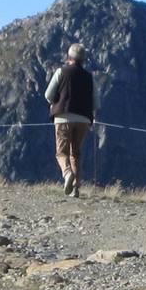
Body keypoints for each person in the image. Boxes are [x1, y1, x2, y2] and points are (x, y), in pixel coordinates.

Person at [45, 42, 97, 196]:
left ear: (69, 57)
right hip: (83, 119)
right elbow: (96, 102)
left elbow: (48, 95)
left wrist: (56, 101)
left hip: (63, 117)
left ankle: (67, 174)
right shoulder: (89, 77)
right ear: (83, 59)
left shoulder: (61, 72)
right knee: (76, 153)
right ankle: (75, 188)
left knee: (62, 153)